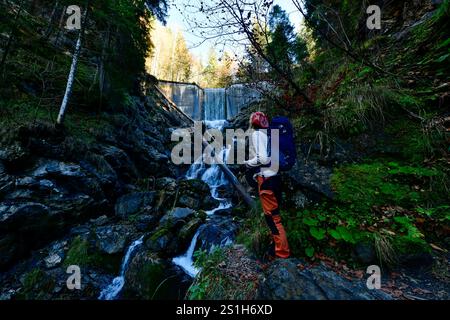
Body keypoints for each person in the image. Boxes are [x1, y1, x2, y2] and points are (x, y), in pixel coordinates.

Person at [245, 112, 290, 260]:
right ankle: (276, 246)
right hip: (276, 178)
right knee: (275, 216)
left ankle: (282, 253)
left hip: (266, 180)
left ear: (253, 123)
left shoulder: (257, 135)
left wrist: (248, 163)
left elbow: (263, 158)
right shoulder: (272, 134)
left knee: (272, 218)